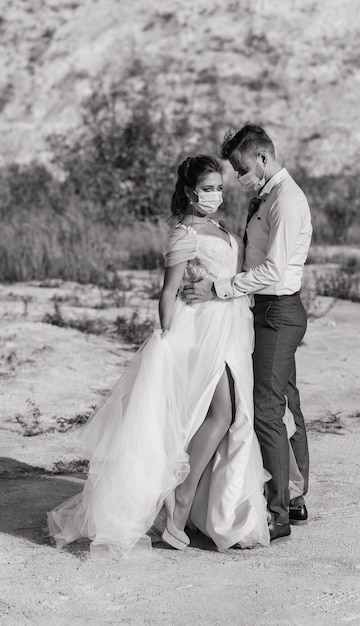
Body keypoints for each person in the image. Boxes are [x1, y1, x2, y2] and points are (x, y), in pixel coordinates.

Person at [47, 154, 303, 558]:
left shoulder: (215, 226)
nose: (216, 195)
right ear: (189, 192)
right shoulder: (185, 232)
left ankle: (198, 507)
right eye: (207, 188)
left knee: (228, 416)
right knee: (224, 413)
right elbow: (168, 292)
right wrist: (165, 339)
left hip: (230, 329)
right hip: (203, 332)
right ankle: (180, 504)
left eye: (219, 187)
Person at [183, 126, 312, 543]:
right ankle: (294, 495)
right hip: (266, 310)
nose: (240, 178)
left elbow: (274, 270)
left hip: (278, 311)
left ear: (261, 158)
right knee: (286, 402)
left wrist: (220, 288)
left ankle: (277, 513)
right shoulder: (269, 197)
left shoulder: (287, 202)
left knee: (267, 409)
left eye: (241, 169)